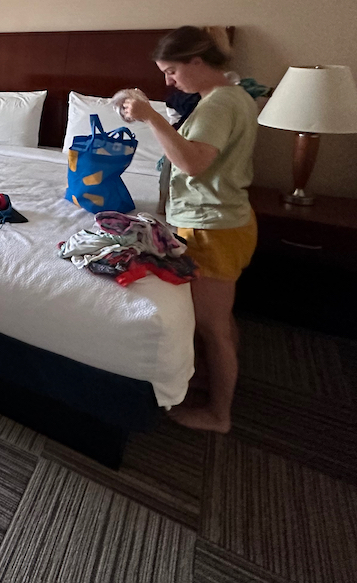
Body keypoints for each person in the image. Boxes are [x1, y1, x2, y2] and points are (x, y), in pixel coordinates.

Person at [122, 26, 258, 433]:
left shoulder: (218, 104)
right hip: (224, 220)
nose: (169, 82)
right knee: (221, 318)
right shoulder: (233, 94)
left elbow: (193, 164)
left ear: (197, 62)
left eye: (172, 71)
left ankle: (219, 415)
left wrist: (151, 117)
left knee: (213, 327)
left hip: (212, 226)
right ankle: (216, 379)